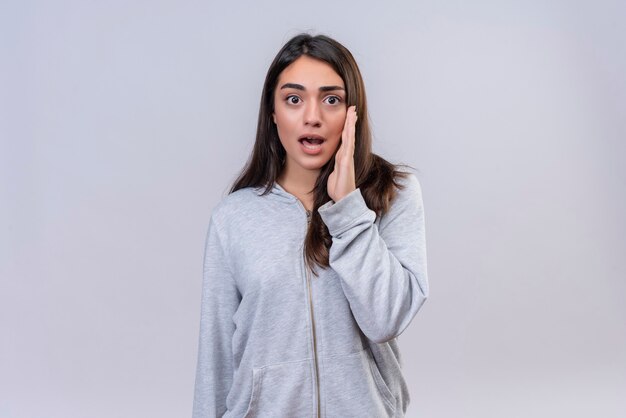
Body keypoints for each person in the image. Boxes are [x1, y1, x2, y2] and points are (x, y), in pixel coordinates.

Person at [192, 33, 429, 418]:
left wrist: (348, 208)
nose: (312, 116)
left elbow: (385, 318)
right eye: (294, 99)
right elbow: (215, 355)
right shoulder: (233, 219)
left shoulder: (393, 195)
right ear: (273, 112)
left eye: (331, 99)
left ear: (353, 111)